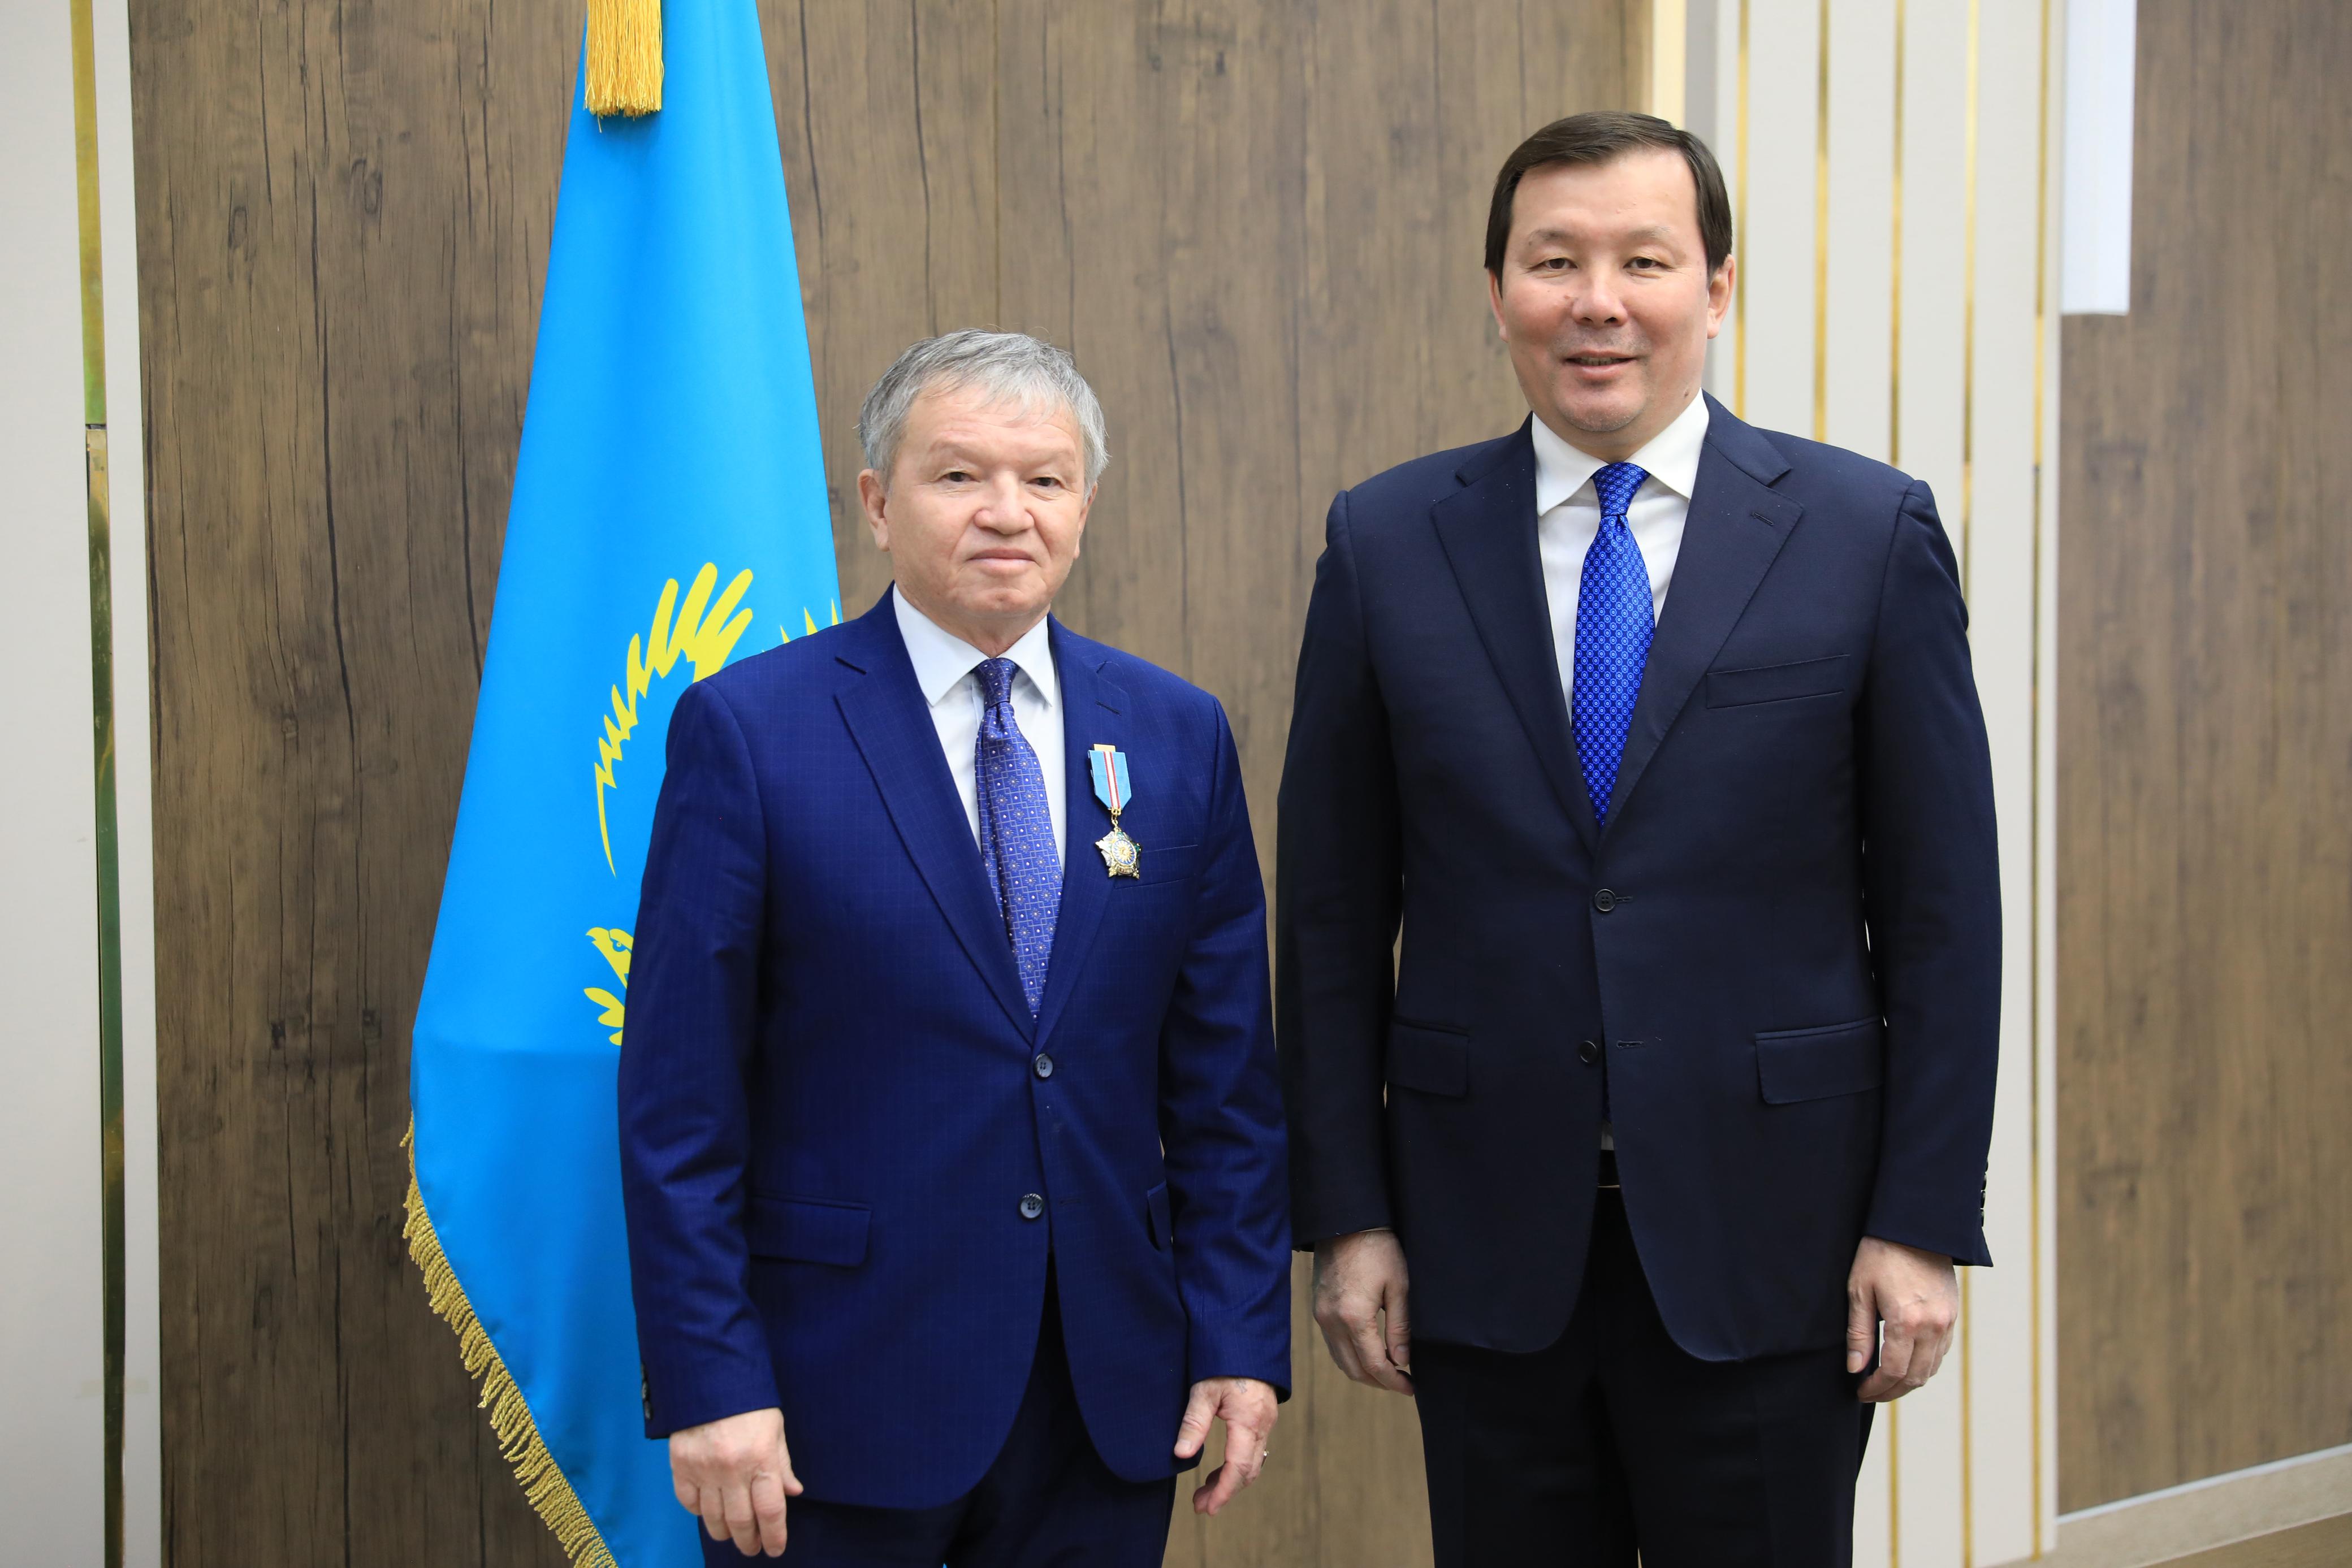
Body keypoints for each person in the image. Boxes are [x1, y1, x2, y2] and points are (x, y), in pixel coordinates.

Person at [1278, 112, 2000, 1565]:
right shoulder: (1387, 541)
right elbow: (1331, 917)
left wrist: (1920, 1220)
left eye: (1644, 261)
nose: (1595, 302)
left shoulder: (1864, 533)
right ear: (1497, 291)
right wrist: (1348, 1217)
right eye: (1554, 261)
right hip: (1481, 1240)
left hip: (1778, 1244)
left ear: (1716, 289)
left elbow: (1943, 914)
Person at [619, 330, 1290, 1565]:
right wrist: (712, 1377)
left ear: (1085, 505)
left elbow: (1226, 1088)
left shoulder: (1176, 734)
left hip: (1104, 1394)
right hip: (828, 1400)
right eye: (959, 475)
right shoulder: (752, 732)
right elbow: (678, 1102)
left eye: (1045, 479)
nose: (1007, 512)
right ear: (878, 503)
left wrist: (1241, 1336)